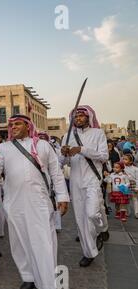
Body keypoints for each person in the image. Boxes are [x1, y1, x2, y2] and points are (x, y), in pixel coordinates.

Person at [0, 115, 69, 289]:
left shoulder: (42, 145)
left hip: (39, 201)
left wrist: (62, 196)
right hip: (13, 202)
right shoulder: (3, 148)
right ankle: (28, 276)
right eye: (11, 124)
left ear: (27, 125)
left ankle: (47, 280)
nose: (13, 127)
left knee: (44, 240)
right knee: (19, 241)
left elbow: (56, 173)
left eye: (17, 124)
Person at [61, 105, 109, 268]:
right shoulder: (67, 136)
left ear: (89, 117)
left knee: (92, 213)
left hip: (92, 180)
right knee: (81, 219)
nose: (78, 118)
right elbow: (63, 163)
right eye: (75, 116)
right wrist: (64, 154)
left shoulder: (98, 133)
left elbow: (103, 156)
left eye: (82, 115)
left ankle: (102, 229)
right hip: (75, 181)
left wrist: (81, 149)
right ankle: (89, 252)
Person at [123, 154, 138, 219]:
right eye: (123, 159)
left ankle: (136, 212)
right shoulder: (122, 168)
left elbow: (137, 178)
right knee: (127, 199)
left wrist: (137, 187)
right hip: (125, 185)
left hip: (133, 185)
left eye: (126, 159)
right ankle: (127, 212)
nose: (124, 160)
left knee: (135, 199)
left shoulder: (136, 169)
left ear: (131, 161)